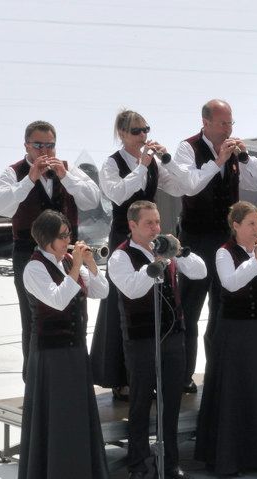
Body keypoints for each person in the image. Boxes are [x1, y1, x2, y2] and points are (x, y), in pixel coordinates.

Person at [0, 120, 101, 379]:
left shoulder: (67, 169)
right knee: (33, 316)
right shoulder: (13, 173)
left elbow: (91, 199)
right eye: (38, 145)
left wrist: (66, 176)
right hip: (29, 254)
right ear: (26, 145)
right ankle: (35, 378)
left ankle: (73, 372)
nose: (45, 151)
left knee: (75, 308)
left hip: (66, 253)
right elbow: (1, 206)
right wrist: (29, 179)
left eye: (50, 145)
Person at [108, 201, 207, 479]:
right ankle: (137, 465)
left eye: (157, 221)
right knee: (139, 403)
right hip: (140, 339)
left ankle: (170, 462)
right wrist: (160, 262)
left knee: (171, 402)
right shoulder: (120, 257)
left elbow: (200, 272)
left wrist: (180, 252)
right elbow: (133, 288)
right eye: (149, 223)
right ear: (133, 226)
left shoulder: (165, 247)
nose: (156, 228)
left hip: (172, 336)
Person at [173, 99, 257, 392]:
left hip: (227, 241)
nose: (228, 129)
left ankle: (220, 368)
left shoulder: (235, 152)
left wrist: (244, 157)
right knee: (189, 308)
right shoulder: (187, 148)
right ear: (206, 123)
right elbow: (190, 184)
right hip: (197, 238)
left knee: (223, 305)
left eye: (231, 123)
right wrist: (217, 163)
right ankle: (184, 373)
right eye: (223, 123)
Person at [94, 110, 187, 402]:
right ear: (122, 133)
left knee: (152, 301)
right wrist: (142, 167)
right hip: (123, 235)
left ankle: (151, 374)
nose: (142, 136)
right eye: (136, 131)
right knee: (121, 305)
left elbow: (181, 186)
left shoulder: (153, 161)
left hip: (148, 238)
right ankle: (119, 377)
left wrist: (165, 160)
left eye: (145, 129)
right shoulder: (112, 163)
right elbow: (118, 195)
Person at [18, 210, 109, 479]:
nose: (69, 240)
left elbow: (101, 292)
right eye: (63, 236)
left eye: (69, 234)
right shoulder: (33, 269)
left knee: (77, 416)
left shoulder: (70, 262)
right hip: (50, 353)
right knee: (56, 418)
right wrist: (75, 269)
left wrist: (92, 265)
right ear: (46, 240)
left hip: (74, 348)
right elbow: (57, 300)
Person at [194, 201, 257, 476]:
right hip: (235, 330)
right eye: (250, 224)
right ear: (235, 226)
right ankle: (229, 458)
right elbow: (232, 283)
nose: (256, 229)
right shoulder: (224, 253)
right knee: (234, 392)